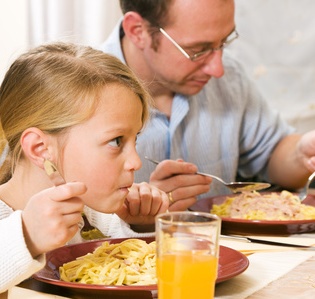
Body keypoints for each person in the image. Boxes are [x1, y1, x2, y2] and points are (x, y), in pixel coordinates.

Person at [99, 0, 315, 211]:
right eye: (198, 50)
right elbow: (76, 220)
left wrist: (301, 153)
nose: (217, 69)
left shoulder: (230, 77)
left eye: (224, 42)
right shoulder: (80, 93)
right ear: (137, 31)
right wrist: (134, 212)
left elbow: (270, 154)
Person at [0, 41, 168, 293]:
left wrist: (140, 227)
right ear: (40, 149)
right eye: (115, 141)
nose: (136, 162)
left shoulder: (95, 216)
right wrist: (25, 236)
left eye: (136, 139)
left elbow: (139, 274)